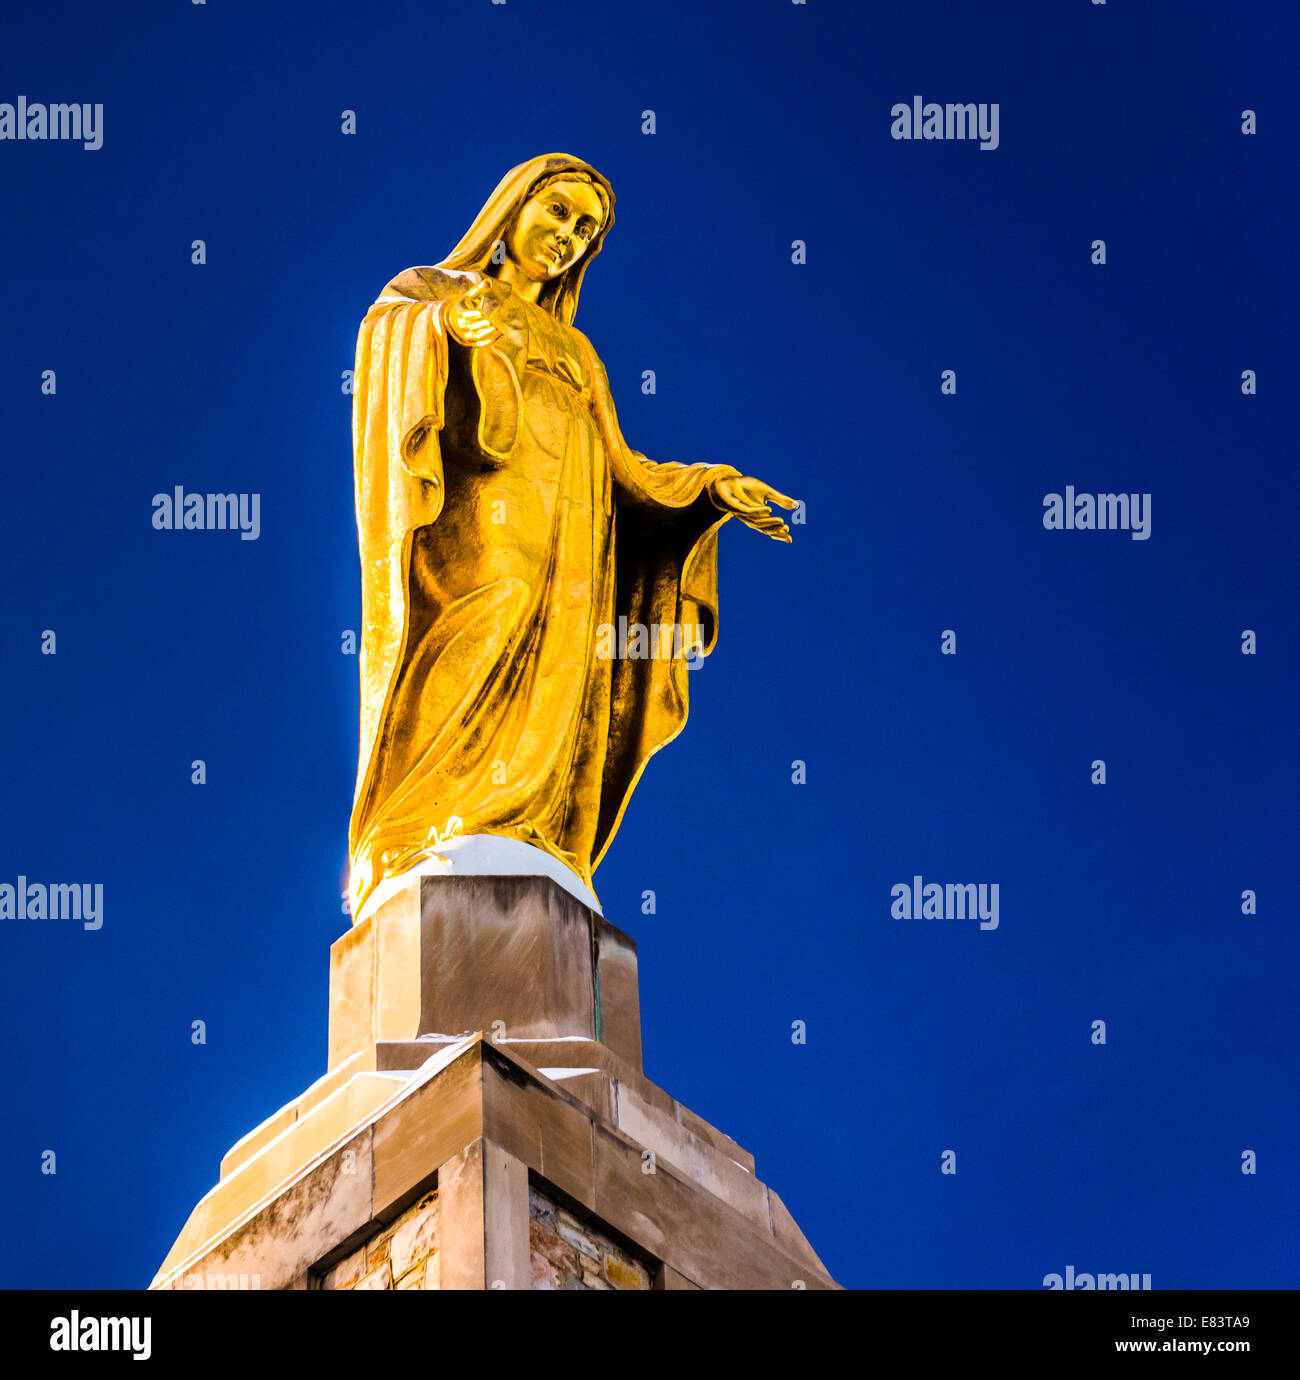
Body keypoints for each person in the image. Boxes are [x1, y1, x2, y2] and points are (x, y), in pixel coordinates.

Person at [347, 153, 794, 920]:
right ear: (512, 209)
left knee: (561, 664)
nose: (567, 236)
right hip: (480, 511)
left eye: (585, 229)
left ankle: (523, 826)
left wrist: (709, 486)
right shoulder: (441, 289)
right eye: (556, 213)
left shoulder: (581, 353)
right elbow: (387, 332)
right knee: (494, 611)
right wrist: (446, 326)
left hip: (573, 531)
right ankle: (429, 820)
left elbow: (625, 469)